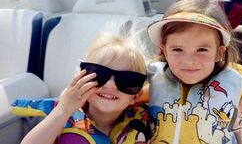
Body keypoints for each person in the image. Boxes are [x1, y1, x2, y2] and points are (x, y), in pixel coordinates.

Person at [146, 0, 242, 144]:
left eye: (201, 49)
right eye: (177, 49)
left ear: (219, 53)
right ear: (165, 51)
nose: (189, 60)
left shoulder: (231, 86)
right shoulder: (154, 80)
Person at [11, 33, 150, 144]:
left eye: (127, 80)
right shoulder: (63, 116)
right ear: (80, 80)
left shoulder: (143, 124)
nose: (109, 85)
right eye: (99, 75)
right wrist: (63, 110)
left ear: (136, 96)